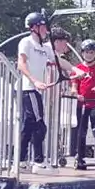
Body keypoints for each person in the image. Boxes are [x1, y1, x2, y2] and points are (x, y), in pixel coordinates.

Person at [16, 12, 59, 169]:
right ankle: (39, 161)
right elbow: (21, 64)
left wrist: (75, 70)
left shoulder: (43, 47)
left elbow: (57, 61)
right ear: (34, 27)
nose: (46, 30)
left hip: (35, 90)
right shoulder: (26, 42)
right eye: (43, 26)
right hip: (29, 88)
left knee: (28, 125)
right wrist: (35, 81)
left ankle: (20, 160)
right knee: (40, 124)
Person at [68, 38, 95, 171]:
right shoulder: (78, 69)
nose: (89, 55)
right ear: (82, 53)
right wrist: (76, 94)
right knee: (81, 130)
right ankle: (80, 157)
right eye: (86, 52)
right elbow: (74, 87)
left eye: (91, 52)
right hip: (82, 103)